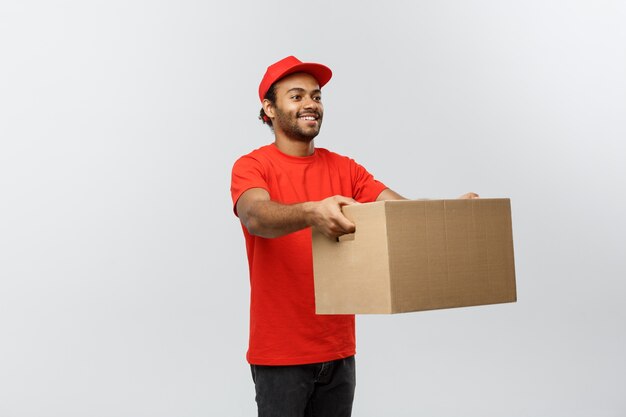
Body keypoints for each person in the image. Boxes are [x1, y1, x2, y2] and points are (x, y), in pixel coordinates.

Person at [230, 55, 477, 417]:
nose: (311, 104)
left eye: (316, 96)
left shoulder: (345, 168)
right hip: (281, 356)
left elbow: (400, 213)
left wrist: (449, 212)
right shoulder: (252, 166)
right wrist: (312, 212)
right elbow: (255, 216)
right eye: (296, 96)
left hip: (338, 351)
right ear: (269, 108)